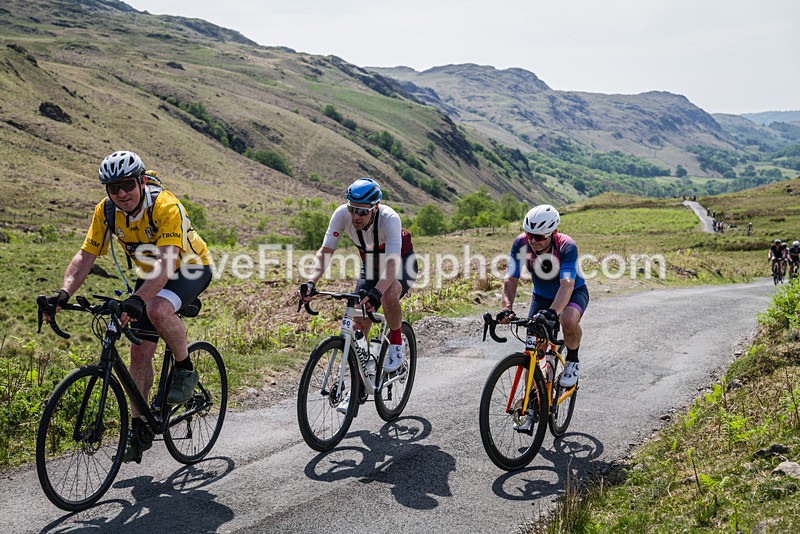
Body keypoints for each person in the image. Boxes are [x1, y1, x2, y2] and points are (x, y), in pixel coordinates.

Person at [43, 151, 213, 463]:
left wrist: (138, 300)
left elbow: (166, 265)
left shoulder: (165, 206)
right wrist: (63, 293)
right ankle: (139, 427)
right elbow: (85, 256)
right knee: (139, 352)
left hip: (189, 267)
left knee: (158, 310)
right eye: (113, 188)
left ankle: (185, 369)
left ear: (141, 181)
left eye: (128, 185)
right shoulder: (107, 212)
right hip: (150, 275)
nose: (122, 194)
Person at [299, 177, 417, 409]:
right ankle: (360, 380)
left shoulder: (390, 219)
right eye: (353, 209)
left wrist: (377, 292)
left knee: (387, 295)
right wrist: (311, 281)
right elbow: (325, 252)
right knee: (357, 322)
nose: (356, 217)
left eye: (362, 211)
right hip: (371, 263)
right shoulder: (341, 214)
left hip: (401, 261)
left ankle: (395, 343)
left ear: (375, 207)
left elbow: (392, 266)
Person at [497, 204, 589, 397]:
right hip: (541, 297)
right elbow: (511, 277)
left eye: (539, 237)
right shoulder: (521, 243)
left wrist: (553, 312)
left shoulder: (566, 245)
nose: (533, 241)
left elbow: (567, 282)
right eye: (529, 234)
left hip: (573, 292)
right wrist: (507, 308)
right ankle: (530, 403)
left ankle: (572, 361)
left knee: (568, 319)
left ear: (553, 232)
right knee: (533, 349)